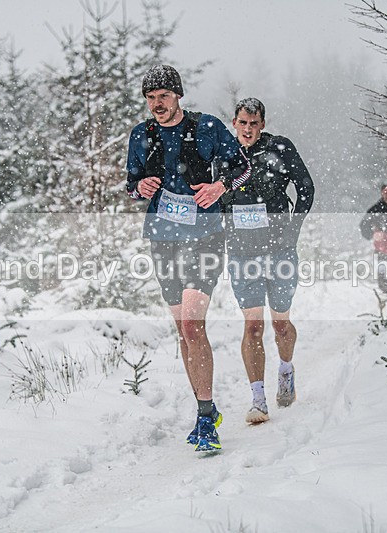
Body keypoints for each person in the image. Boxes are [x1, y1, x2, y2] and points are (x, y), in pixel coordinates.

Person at [126, 65, 251, 452]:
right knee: (184, 330)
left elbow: (243, 168)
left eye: (163, 96)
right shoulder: (141, 135)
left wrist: (219, 187)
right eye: (150, 99)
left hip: (205, 236)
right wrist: (139, 187)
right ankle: (204, 410)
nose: (156, 105)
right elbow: (131, 185)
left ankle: (205, 416)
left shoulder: (208, 128)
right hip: (163, 238)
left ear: (178, 95)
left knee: (194, 326)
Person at [221, 98, 314, 424]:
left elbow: (306, 187)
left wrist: (293, 229)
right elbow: (204, 193)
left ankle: (286, 370)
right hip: (242, 253)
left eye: (254, 123)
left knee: (280, 323)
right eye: (242, 123)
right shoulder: (222, 152)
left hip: (279, 250)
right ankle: (258, 399)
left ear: (262, 124)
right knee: (253, 326)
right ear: (234, 122)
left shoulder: (280, 148)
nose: (247, 129)